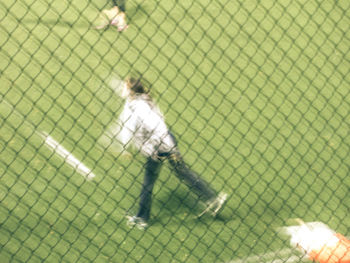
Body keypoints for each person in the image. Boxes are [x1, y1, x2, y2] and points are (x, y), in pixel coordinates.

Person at [115, 75, 227, 229]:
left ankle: (142, 218)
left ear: (131, 91)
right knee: (182, 172)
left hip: (159, 146)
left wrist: (164, 148)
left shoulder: (139, 107)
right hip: (165, 141)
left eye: (125, 86)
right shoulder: (138, 102)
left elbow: (151, 126)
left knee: (149, 182)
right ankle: (212, 198)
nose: (122, 88)